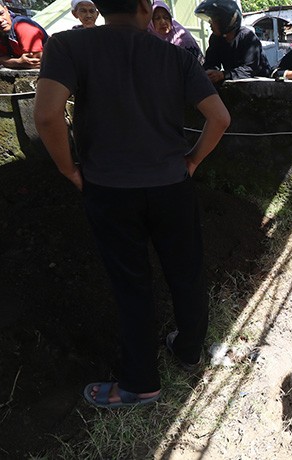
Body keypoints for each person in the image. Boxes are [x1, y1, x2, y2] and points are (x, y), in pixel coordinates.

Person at [34, 0, 230, 408]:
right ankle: (190, 349)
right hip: (172, 186)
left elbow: (48, 116)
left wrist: (69, 170)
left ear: (101, 6)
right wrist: (191, 160)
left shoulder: (69, 46)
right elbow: (220, 119)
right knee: (186, 271)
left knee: (131, 284)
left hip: (109, 190)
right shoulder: (176, 55)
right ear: (145, 6)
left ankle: (141, 384)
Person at [195, 0, 269, 83]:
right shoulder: (216, 39)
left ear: (224, 21)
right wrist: (209, 73)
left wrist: (223, 75)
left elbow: (250, 69)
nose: (210, 24)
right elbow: (211, 63)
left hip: (260, 86)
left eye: (214, 21)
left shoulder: (247, 37)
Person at [0, 3, 48, 69]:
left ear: (6, 10)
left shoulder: (23, 26)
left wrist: (10, 62)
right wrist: (17, 62)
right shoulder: (2, 33)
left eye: (1, 13)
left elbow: (35, 62)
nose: (0, 20)